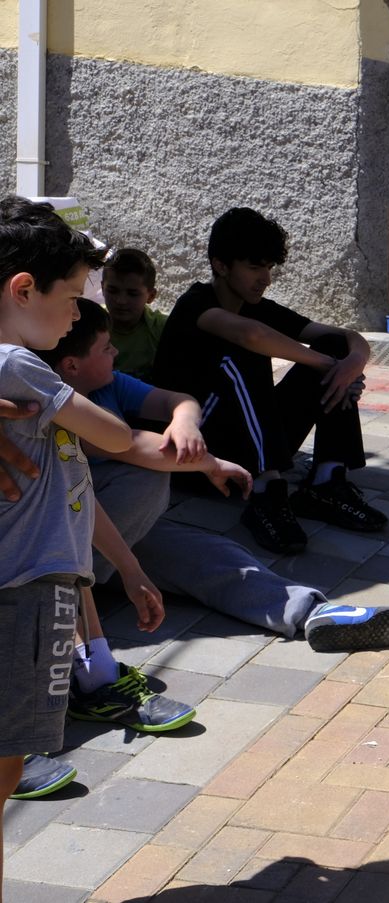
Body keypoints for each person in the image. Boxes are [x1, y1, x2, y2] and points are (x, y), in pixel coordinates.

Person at [46, 298, 389, 652]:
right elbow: (137, 449)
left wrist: (185, 421)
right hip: (66, 547)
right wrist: (212, 463)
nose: (115, 353)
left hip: (115, 533)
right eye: (106, 348)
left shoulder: (110, 384)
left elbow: (180, 400)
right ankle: (64, 603)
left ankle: (313, 613)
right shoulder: (56, 408)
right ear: (72, 366)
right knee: (146, 479)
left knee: (216, 555)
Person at [0, 195, 142, 832]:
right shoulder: (19, 365)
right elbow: (115, 438)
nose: (81, 317)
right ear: (23, 289)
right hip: (27, 589)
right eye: (73, 300)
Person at [150, 207, 387, 555]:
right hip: (196, 456)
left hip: (249, 443)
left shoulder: (257, 305)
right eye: (254, 266)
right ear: (221, 265)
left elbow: (347, 337)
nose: (266, 278)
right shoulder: (195, 304)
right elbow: (251, 336)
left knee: (333, 347)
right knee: (245, 352)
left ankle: (326, 480)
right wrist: (328, 366)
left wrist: (350, 363)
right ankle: (268, 491)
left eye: (269, 267)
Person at [101, 247, 165, 381]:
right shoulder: (89, 328)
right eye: (112, 291)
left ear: (151, 296)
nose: (121, 301)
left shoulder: (163, 330)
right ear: (102, 288)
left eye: (132, 294)